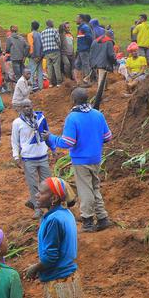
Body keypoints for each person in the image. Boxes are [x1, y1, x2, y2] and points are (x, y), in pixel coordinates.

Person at [23, 177, 85, 298]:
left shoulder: (53, 221)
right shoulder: (64, 214)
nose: (36, 195)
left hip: (58, 282)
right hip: (70, 278)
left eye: (41, 193)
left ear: (55, 198)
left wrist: (34, 268)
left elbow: (50, 257)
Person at [48, 88, 113, 232]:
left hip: (81, 159)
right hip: (96, 158)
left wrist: (51, 138)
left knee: (85, 190)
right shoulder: (98, 114)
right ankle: (102, 218)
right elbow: (108, 137)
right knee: (95, 187)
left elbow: (68, 142)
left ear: (73, 101)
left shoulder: (73, 118)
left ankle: (88, 221)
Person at [10, 99, 52, 211]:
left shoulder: (41, 118)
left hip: (43, 156)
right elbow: (15, 141)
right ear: (20, 109)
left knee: (47, 183)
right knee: (33, 185)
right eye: (24, 107)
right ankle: (38, 209)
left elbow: (47, 133)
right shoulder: (17, 123)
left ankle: (48, 207)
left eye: (28, 106)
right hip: (28, 158)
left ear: (32, 105)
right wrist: (16, 156)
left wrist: (52, 148)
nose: (27, 108)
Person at [41, 20, 62, 87]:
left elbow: (42, 42)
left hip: (47, 52)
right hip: (55, 50)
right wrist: (59, 47)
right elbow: (58, 41)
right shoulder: (55, 30)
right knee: (56, 66)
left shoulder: (43, 32)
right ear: (51, 24)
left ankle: (50, 83)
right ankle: (59, 83)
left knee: (49, 67)